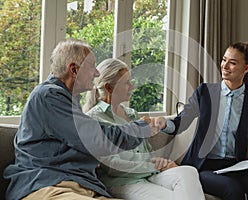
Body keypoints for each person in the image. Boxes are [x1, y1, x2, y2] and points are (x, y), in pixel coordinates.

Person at [3, 39, 164, 200]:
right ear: (74, 70)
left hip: (81, 187)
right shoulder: (49, 96)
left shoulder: (69, 101)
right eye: (92, 66)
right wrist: (142, 128)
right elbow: (97, 138)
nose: (97, 73)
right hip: (48, 186)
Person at [83, 58, 205, 200]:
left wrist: (161, 162)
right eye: (126, 83)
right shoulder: (94, 119)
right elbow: (112, 166)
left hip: (149, 175)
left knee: (189, 172)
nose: (132, 87)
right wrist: (154, 167)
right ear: (109, 87)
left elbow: (146, 152)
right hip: (122, 182)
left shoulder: (131, 114)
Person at [168, 42, 248, 200]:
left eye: (233, 63)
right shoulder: (205, 92)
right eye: (224, 60)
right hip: (203, 166)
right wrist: (162, 124)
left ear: (247, 68)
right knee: (232, 188)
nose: (225, 66)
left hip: (235, 165)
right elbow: (181, 122)